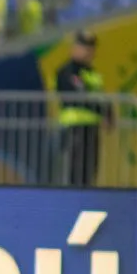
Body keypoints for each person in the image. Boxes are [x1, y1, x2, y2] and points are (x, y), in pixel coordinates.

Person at [56, 30, 108, 187]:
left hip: (91, 129)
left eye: (91, 47)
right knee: (74, 174)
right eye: (84, 46)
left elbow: (99, 97)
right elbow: (79, 96)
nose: (88, 51)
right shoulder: (67, 71)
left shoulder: (92, 73)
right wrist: (101, 110)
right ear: (75, 48)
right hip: (74, 129)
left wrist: (108, 113)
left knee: (90, 173)